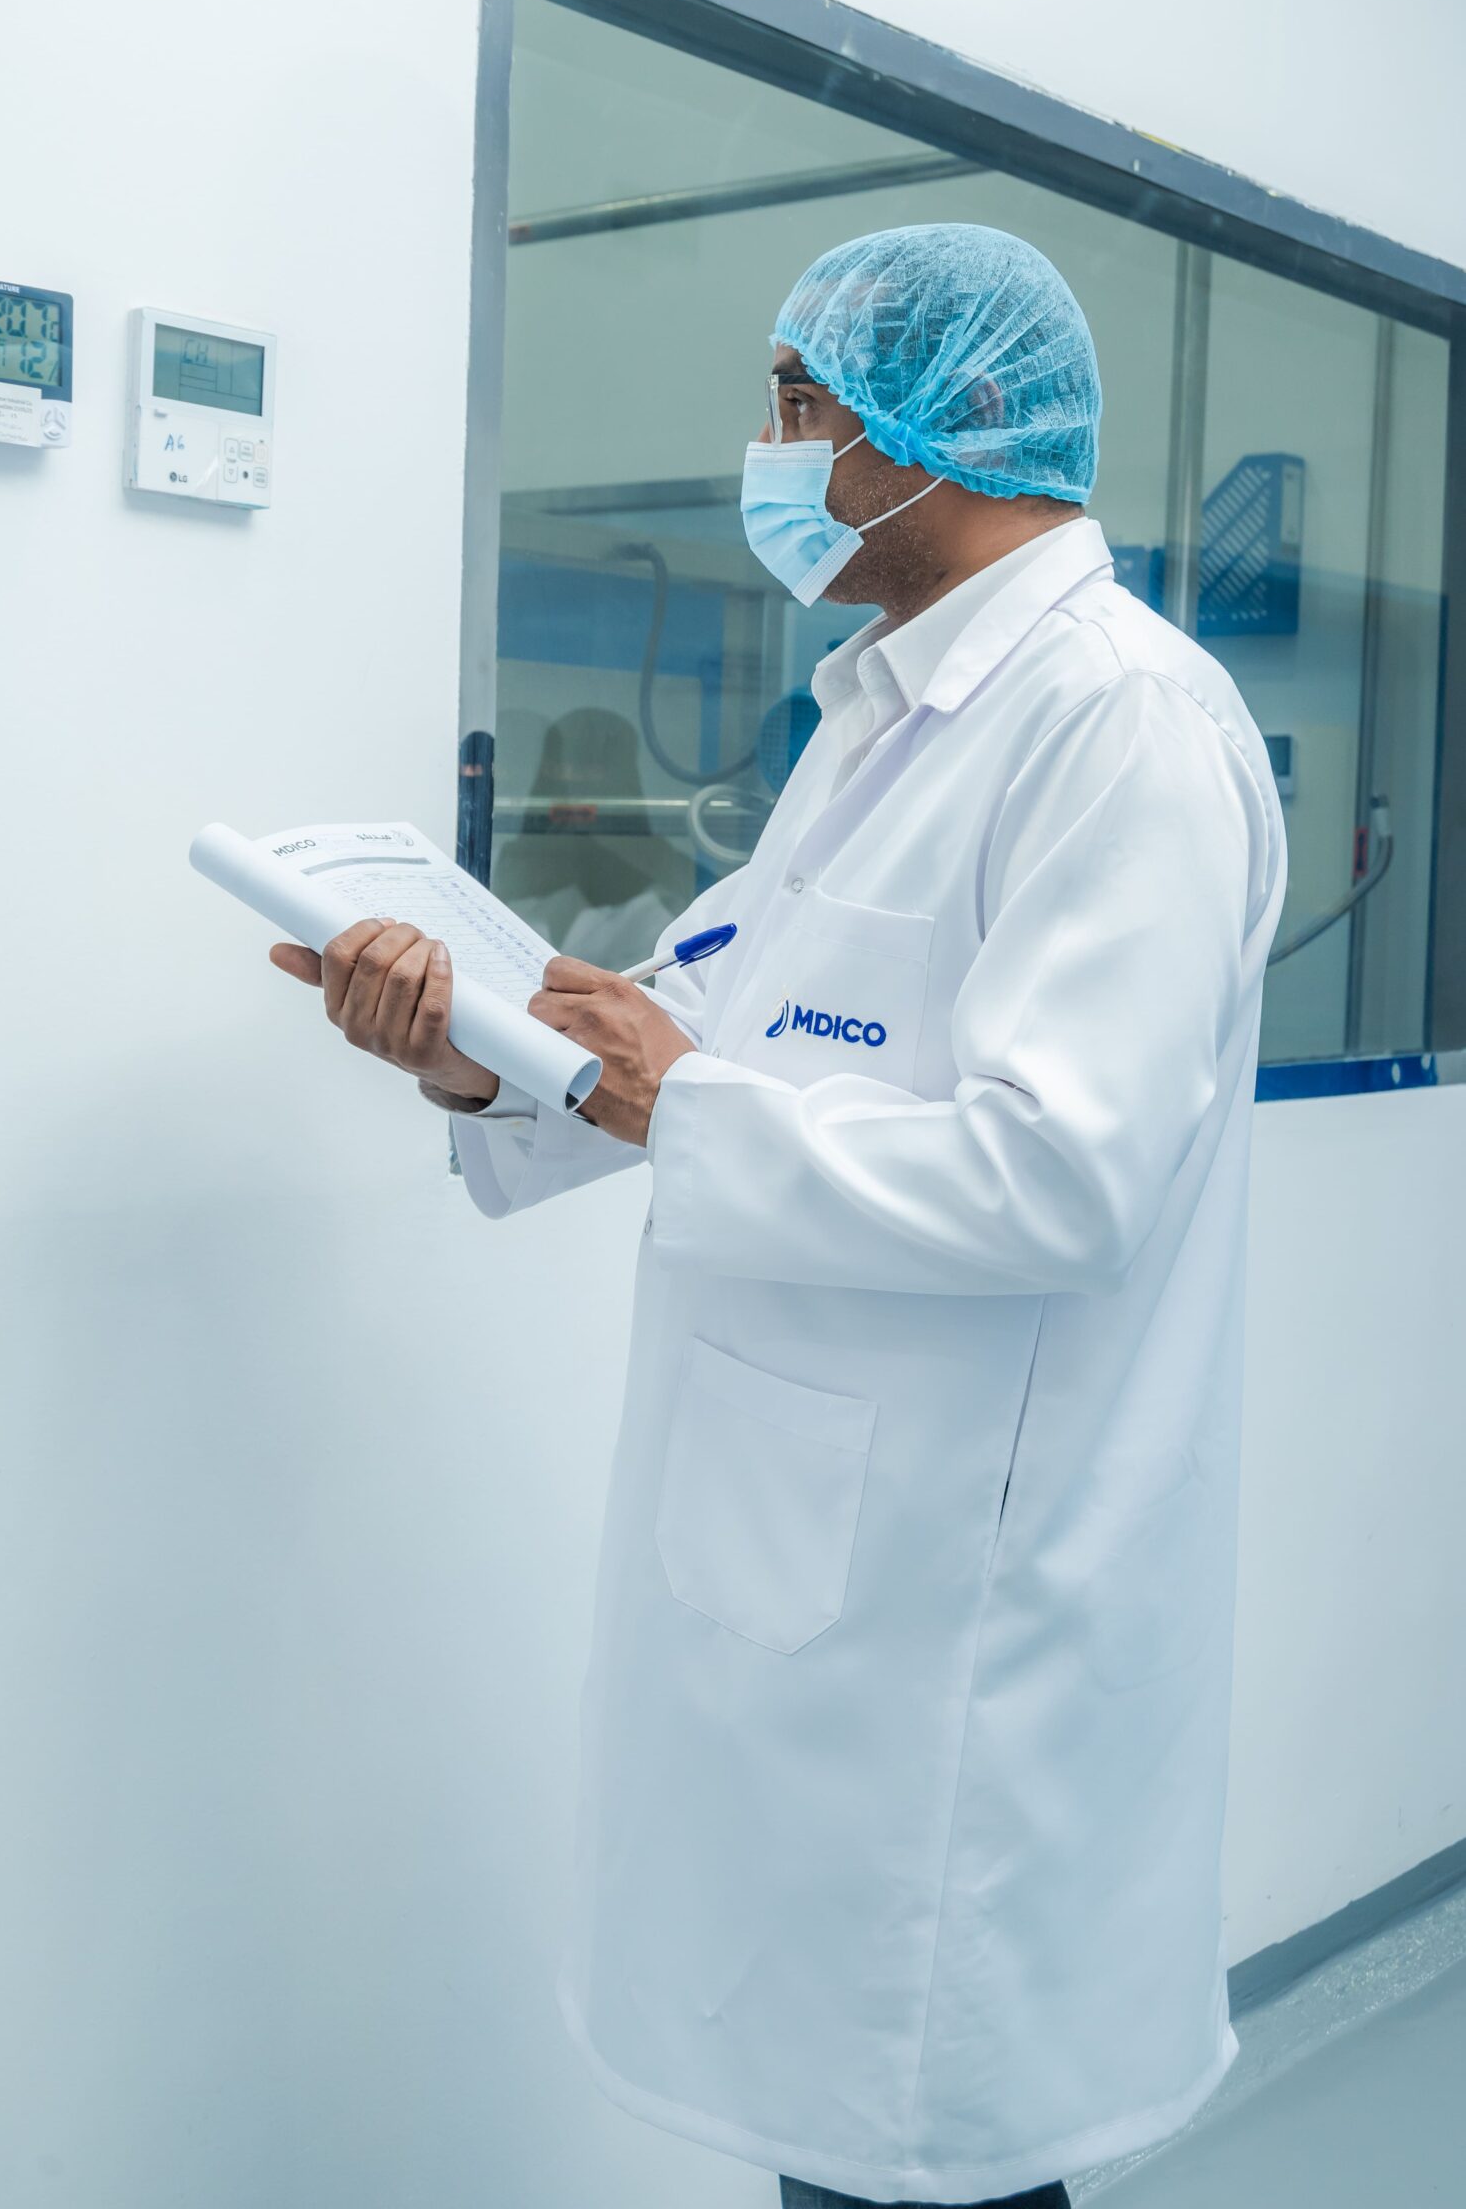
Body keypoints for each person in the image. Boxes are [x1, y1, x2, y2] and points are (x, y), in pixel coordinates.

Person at [271, 224, 1287, 2208]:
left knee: (926, 2149)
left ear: (945, 426)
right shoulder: (882, 716)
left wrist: (683, 1095)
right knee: (842, 2145)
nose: (771, 446)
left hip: (960, 1611)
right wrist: (481, 1055)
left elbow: (1061, 1175)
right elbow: (700, 1017)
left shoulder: (1118, 725)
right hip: (817, 1582)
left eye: (800, 403)